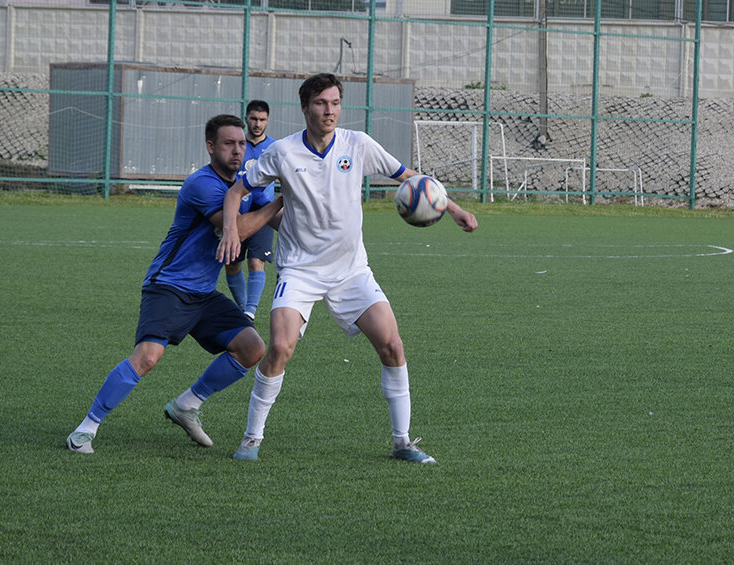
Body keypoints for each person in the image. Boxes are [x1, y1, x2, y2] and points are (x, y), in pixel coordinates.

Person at [217, 73, 477, 464]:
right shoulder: (283, 153)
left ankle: (403, 442)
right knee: (281, 348)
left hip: (352, 271)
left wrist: (454, 210)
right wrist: (229, 233)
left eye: (335, 103)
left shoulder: (357, 144)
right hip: (299, 271)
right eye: (321, 103)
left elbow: (408, 177)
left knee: (392, 345)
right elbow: (236, 192)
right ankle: (251, 441)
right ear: (305, 108)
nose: (330, 111)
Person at [66, 114, 283, 454]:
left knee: (252, 348)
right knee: (148, 357)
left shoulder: (245, 183)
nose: (237, 150)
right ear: (211, 146)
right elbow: (238, 228)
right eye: (228, 144)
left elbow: (276, 217)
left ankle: (186, 405)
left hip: (203, 293)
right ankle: (85, 429)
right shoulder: (202, 183)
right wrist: (279, 201)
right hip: (168, 286)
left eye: (242, 143)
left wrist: (305, 205)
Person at [224, 100, 277, 322]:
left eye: (262, 119)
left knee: (257, 261)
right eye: (254, 119)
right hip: (238, 211)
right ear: (246, 118)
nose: (257, 124)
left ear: (267, 120)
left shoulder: (275, 147)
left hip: (264, 211)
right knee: (232, 262)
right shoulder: (238, 146)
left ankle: (250, 311)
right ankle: (243, 306)